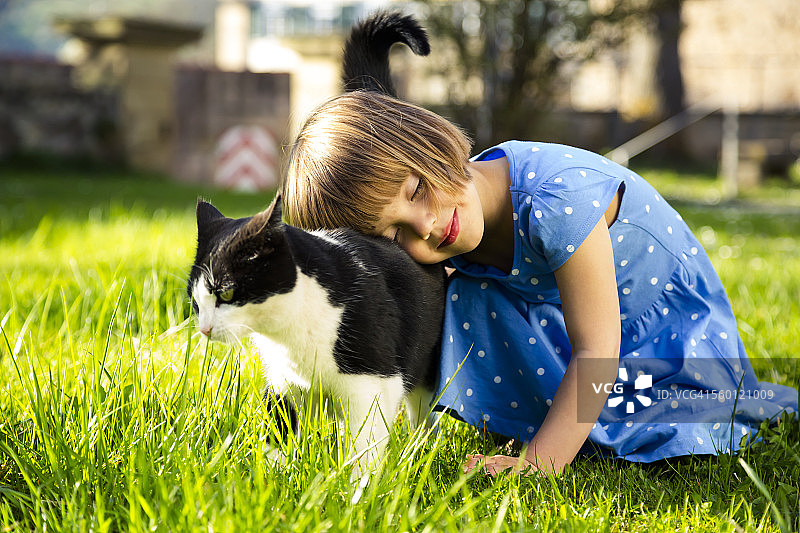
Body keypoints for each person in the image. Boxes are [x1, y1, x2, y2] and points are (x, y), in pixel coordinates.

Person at [282, 90, 798, 476]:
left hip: (660, 333)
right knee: (463, 296)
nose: (427, 225)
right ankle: (568, 418)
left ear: (431, 141)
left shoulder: (554, 200)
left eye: (416, 189)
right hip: (572, 322)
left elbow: (599, 347)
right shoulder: (460, 224)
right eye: (394, 235)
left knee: (666, 423)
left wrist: (540, 463)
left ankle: (581, 429)